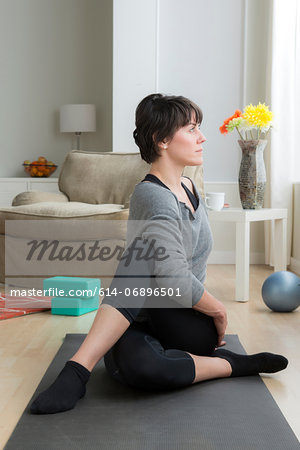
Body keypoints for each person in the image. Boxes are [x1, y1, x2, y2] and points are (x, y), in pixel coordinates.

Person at [30, 93, 288, 414]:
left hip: (186, 324)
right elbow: (170, 274)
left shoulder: (190, 188)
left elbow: (177, 280)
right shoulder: (153, 194)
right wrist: (219, 309)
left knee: (140, 256)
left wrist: (217, 311)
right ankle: (228, 365)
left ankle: (77, 370)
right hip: (140, 320)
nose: (202, 137)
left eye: (199, 128)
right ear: (161, 140)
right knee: (140, 368)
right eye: (192, 129)